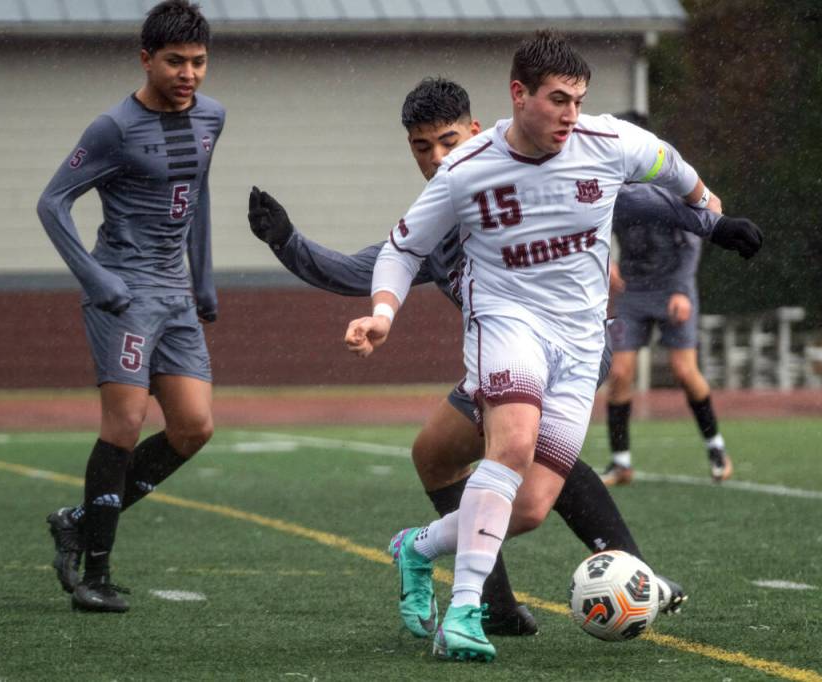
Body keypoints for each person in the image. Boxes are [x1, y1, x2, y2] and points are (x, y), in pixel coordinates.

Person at [344, 32, 762, 662]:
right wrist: (382, 313)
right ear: (519, 95)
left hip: (578, 341)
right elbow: (403, 248)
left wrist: (709, 209)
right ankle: (462, 614)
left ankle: (419, 547)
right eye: (558, 99)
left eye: (578, 99)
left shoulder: (608, 141)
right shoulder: (466, 168)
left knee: (534, 506)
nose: (571, 113)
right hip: (506, 324)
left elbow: (671, 168)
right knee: (509, 447)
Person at [248, 77, 688, 638]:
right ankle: (499, 605)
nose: (436, 159)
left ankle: (627, 578)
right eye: (421, 147)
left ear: (475, 132)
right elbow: (367, 268)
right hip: (509, 356)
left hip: (574, 350)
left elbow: (634, 193)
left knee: (527, 487)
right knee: (434, 455)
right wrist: (288, 242)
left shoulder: (520, 176)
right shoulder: (439, 210)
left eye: (448, 142)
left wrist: (702, 212)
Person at [37, 0, 223, 613]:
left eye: (198, 62)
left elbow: (196, 196)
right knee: (125, 422)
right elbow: (52, 204)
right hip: (122, 292)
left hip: (174, 297)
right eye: (175, 61)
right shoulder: (113, 128)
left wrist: (205, 280)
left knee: (194, 427)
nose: (188, 73)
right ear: (146, 59)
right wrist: (95, 277)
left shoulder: (212, 118)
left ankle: (76, 520)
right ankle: (96, 573)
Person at [602, 112, 734, 486]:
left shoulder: (667, 176)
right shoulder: (609, 183)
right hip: (633, 291)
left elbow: (693, 236)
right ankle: (621, 462)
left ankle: (716, 448)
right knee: (620, 372)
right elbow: (588, 227)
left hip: (674, 287)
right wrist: (606, 261)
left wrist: (680, 289)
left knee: (683, 371)